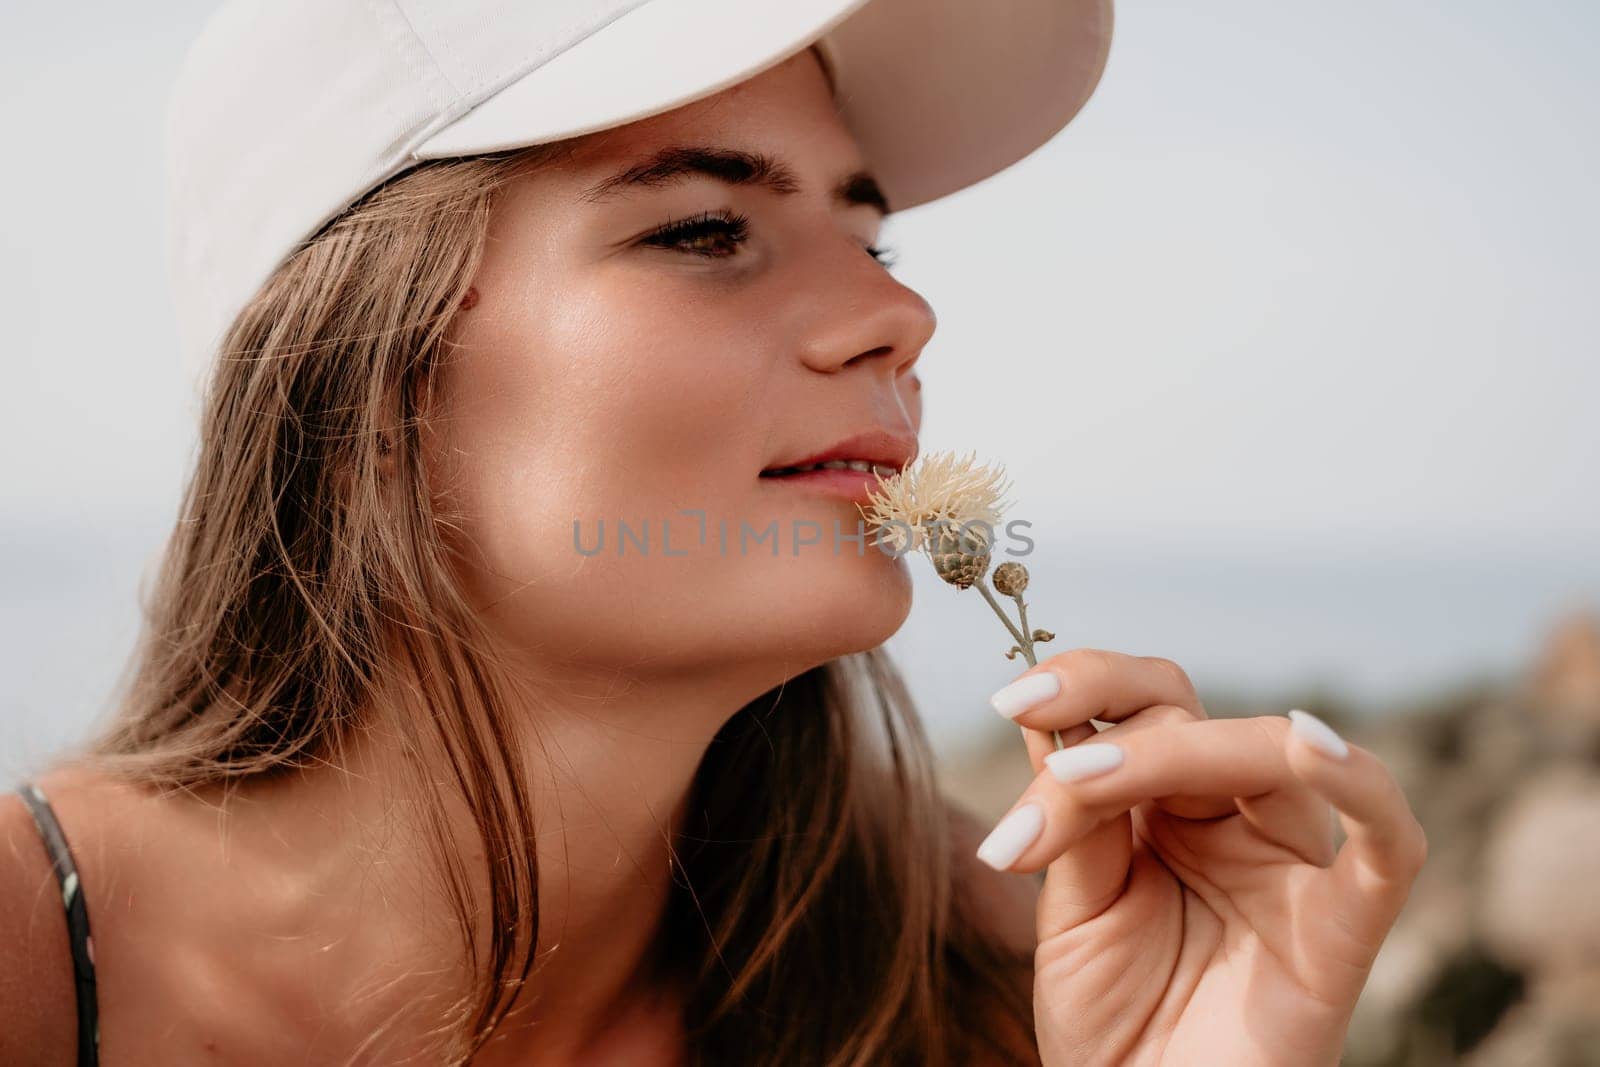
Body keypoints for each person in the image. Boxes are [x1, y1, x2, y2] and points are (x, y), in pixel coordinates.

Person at [1, 1, 1426, 1064]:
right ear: (359, 379)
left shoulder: (991, 966)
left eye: (871, 240)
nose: (899, 314)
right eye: (703, 230)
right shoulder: (29, 965)